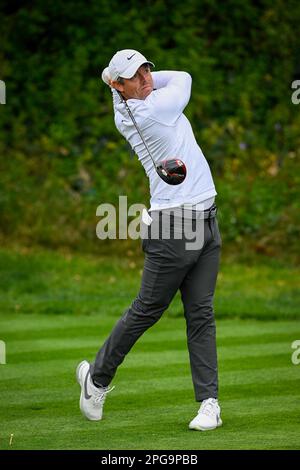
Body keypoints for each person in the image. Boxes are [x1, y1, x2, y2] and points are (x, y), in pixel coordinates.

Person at [76, 49, 222, 431]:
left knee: (201, 314)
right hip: (175, 226)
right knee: (147, 310)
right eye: (135, 76)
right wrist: (145, 83)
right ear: (118, 86)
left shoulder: (139, 100)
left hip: (206, 219)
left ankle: (209, 403)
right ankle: (97, 379)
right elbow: (185, 77)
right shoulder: (150, 110)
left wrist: (128, 77)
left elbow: (167, 80)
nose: (145, 79)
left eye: (147, 71)